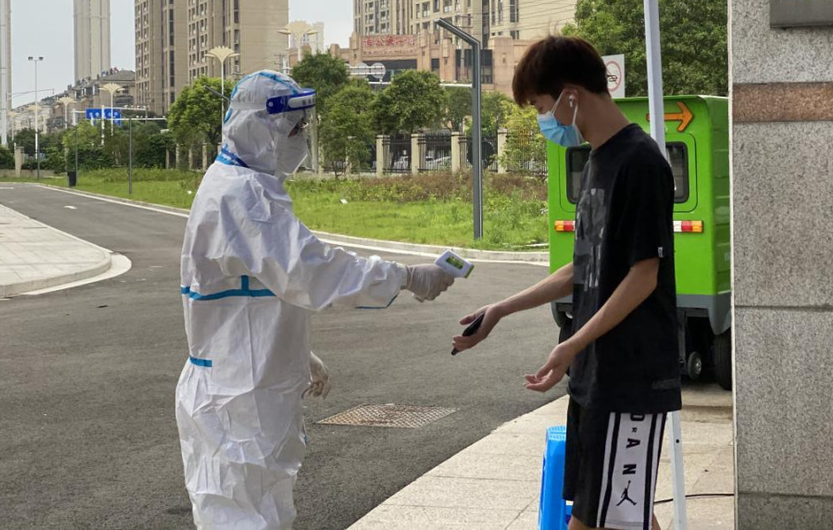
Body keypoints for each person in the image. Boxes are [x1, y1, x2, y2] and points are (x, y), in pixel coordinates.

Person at [176, 70, 454, 530]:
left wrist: (297, 352)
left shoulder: (241, 184)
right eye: (293, 129)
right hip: (239, 396)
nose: (300, 139)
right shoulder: (241, 195)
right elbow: (314, 271)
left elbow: (253, 293)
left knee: (263, 513)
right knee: (243, 518)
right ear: (258, 128)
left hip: (248, 383)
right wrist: (406, 277)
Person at [453, 37, 681, 530]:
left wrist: (571, 345)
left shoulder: (640, 163)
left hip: (631, 376)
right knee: (616, 514)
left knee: (604, 517)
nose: (544, 120)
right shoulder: (598, 161)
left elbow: (644, 277)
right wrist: (500, 309)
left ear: (570, 95)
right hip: (597, 374)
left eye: (541, 107)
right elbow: (583, 268)